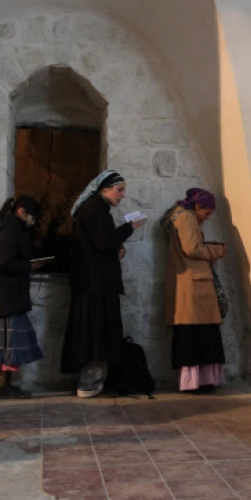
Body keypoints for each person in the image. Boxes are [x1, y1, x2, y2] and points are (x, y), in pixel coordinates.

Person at [61, 170, 145, 398]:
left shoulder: (92, 210)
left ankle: (89, 382)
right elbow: (104, 241)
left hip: (92, 284)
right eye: (119, 190)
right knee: (98, 336)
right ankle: (89, 383)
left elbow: (99, 246)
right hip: (97, 286)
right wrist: (130, 227)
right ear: (104, 189)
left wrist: (114, 250)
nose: (122, 195)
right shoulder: (95, 210)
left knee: (93, 334)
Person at [0, 195, 48, 399]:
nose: (33, 221)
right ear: (22, 212)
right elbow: (3, 260)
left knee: (6, 342)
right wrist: (29, 266)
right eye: (33, 217)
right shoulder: (10, 228)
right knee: (12, 343)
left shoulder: (6, 226)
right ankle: (3, 385)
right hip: (5, 296)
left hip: (3, 295)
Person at [161, 188, 227, 393]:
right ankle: (201, 382)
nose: (206, 219)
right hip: (195, 281)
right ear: (198, 206)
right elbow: (192, 249)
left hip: (186, 281)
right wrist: (217, 250)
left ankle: (195, 382)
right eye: (206, 213)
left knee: (192, 333)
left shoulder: (177, 216)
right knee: (202, 333)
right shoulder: (187, 217)